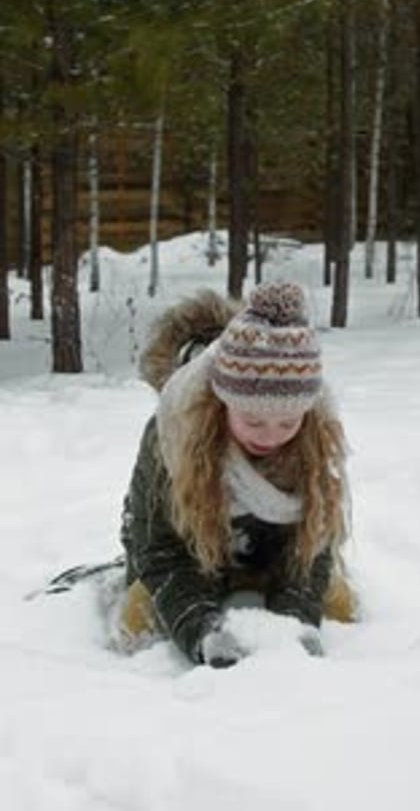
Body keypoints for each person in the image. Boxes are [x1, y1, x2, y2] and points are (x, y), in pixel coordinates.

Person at [119, 281, 356, 668]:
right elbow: (159, 552)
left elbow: (313, 552)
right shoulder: (173, 434)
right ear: (222, 404)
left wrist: (295, 623)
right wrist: (201, 629)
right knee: (137, 622)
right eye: (253, 420)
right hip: (185, 561)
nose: (271, 435)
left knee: (341, 604)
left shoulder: (317, 436)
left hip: (271, 560)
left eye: (287, 422)